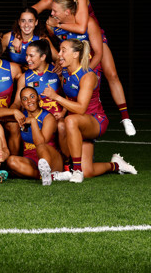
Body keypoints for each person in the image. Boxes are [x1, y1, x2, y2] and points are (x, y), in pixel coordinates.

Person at [33, 0, 136, 136]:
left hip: (90, 38)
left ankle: (125, 117)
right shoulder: (52, 5)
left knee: (111, 74)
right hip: (75, 48)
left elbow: (81, 27)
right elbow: (32, 11)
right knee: (64, 76)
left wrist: (56, 25)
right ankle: (67, 118)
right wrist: (29, 31)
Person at [42, 39, 137, 183]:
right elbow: (70, 98)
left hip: (95, 120)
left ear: (75, 54)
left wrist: (55, 97)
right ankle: (116, 165)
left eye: (63, 50)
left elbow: (80, 108)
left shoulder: (88, 75)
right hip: (77, 124)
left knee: (70, 120)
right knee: (89, 171)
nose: (59, 54)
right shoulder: (66, 72)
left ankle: (76, 171)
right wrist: (62, 113)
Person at [5, 87, 63, 185]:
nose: (29, 101)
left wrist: (33, 121)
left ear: (38, 98)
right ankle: (50, 176)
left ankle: (49, 173)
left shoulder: (48, 117)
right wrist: (13, 111)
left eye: (32, 97)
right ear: (22, 104)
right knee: (11, 161)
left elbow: (40, 143)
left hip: (50, 159)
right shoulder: (21, 116)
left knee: (41, 147)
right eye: (24, 99)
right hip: (30, 159)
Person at [48, 0, 103, 72]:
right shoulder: (51, 26)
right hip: (68, 71)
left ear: (67, 12)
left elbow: (99, 53)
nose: (52, 14)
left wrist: (85, 73)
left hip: (89, 67)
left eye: (55, 11)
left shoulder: (89, 23)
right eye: (52, 10)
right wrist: (59, 61)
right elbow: (60, 48)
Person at [12, 39, 62, 119]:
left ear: (43, 57)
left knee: (61, 125)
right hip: (34, 119)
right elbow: (17, 103)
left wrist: (62, 113)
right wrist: (11, 112)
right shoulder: (24, 77)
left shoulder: (57, 71)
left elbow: (69, 97)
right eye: (26, 55)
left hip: (56, 117)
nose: (27, 59)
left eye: (31, 56)